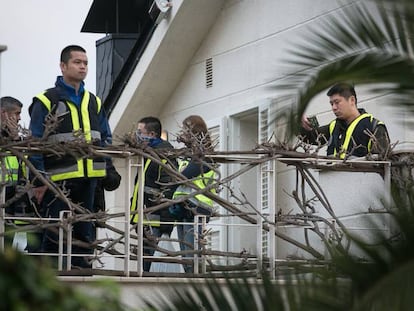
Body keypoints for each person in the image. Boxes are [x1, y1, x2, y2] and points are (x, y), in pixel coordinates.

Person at [28, 45, 112, 269]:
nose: (83, 66)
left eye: (85, 63)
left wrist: (108, 169)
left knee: (86, 231)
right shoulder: (46, 100)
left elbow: (106, 138)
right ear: (63, 66)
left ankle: (82, 276)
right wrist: (39, 180)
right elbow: (35, 142)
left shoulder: (94, 101)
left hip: (90, 178)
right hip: (56, 180)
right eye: (77, 62)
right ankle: (52, 282)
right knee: (55, 233)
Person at [169, 115, 217, 273]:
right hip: (184, 207)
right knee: (185, 252)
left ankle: (194, 278)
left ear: (194, 131)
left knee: (192, 253)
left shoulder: (205, 155)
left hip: (197, 208)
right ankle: (190, 275)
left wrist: (176, 176)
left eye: (185, 129)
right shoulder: (189, 154)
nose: (182, 133)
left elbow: (184, 175)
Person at [130, 116, 177, 272]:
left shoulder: (164, 154)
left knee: (150, 264)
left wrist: (165, 222)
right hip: (145, 217)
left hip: (155, 219)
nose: (137, 135)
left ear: (151, 135)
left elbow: (169, 188)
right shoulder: (148, 154)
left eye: (140, 132)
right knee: (145, 262)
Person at [301, 82, 390, 159]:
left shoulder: (374, 127)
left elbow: (382, 166)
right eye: (331, 104)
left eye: (337, 102)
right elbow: (310, 136)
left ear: (352, 100)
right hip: (332, 178)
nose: (334, 108)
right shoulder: (334, 126)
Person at [0, 96, 33, 249]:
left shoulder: (17, 141)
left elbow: (24, 168)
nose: (19, 118)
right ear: (3, 113)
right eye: (17, 113)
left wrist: (14, 139)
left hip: (12, 202)